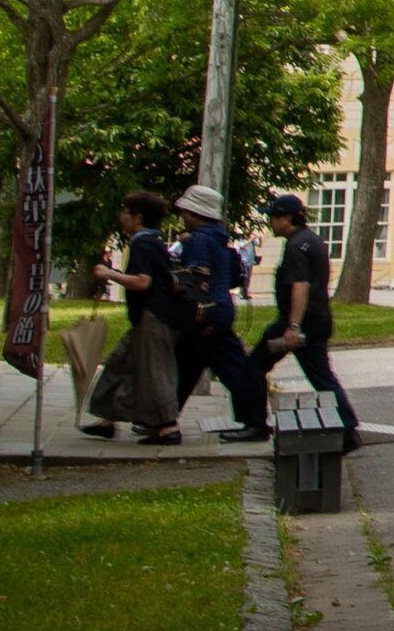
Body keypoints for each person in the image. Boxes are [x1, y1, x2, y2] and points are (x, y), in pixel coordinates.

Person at [249, 192, 356, 447]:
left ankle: (254, 425)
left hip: (298, 322)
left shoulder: (297, 246)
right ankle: (348, 429)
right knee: (321, 376)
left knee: (253, 367)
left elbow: (300, 286)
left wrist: (292, 327)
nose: (270, 223)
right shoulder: (311, 240)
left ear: (287, 218)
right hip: (317, 319)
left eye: (273, 217)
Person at [80, 190, 187, 444]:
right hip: (146, 317)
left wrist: (110, 274)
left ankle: (169, 428)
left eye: (125, 212)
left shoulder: (143, 243)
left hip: (154, 317)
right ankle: (108, 419)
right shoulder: (150, 241)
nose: (121, 217)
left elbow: (143, 281)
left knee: (155, 370)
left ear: (137, 217)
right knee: (120, 362)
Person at [169, 184, 271, 443]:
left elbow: (197, 280)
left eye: (185, 211)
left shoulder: (199, 241)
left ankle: (255, 423)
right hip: (220, 309)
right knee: (188, 366)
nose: (182, 216)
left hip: (207, 314)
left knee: (232, 370)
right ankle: (164, 420)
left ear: (195, 212)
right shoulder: (218, 238)